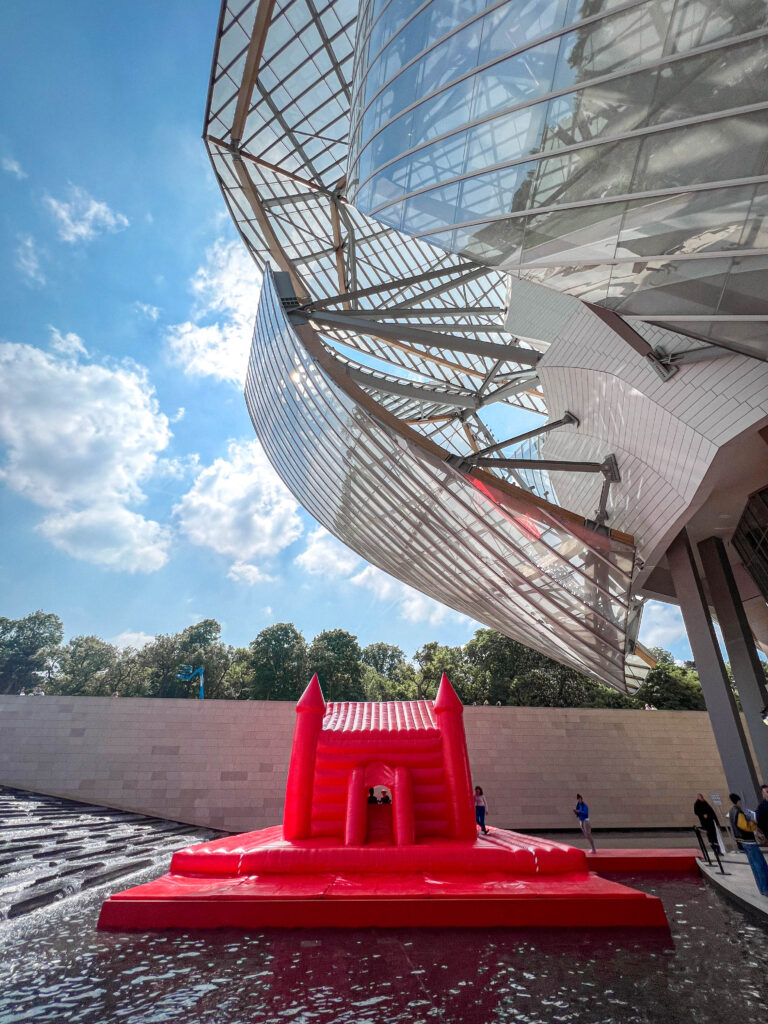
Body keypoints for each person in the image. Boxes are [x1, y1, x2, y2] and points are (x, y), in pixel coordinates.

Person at [728, 792, 768, 897]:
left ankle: (763, 888)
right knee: (759, 865)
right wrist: (753, 824)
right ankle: (765, 888)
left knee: (756, 866)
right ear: (738, 801)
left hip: (743, 841)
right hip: (748, 841)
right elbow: (744, 826)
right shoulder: (738, 811)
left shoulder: (732, 811)